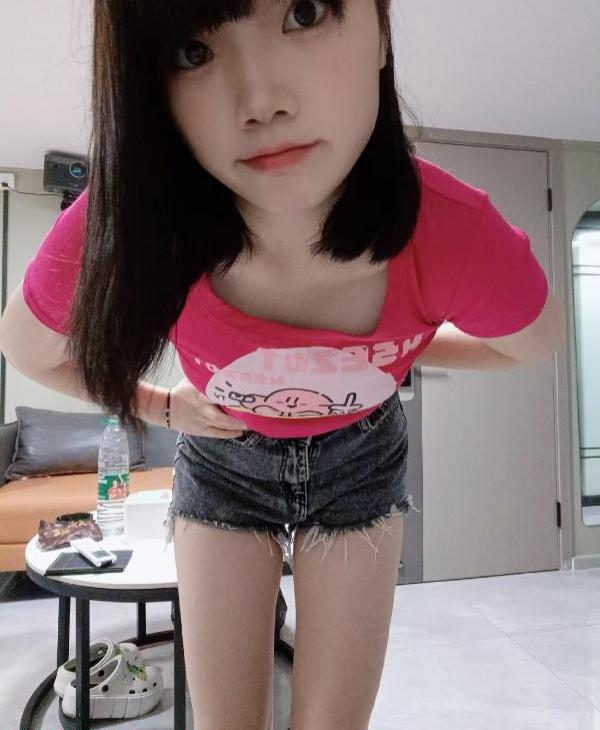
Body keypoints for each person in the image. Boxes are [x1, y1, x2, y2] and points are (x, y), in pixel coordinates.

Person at [1, 1, 564, 729]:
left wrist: (386, 353)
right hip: (223, 462)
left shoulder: (453, 230)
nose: (260, 100)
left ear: (381, 29)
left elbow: (533, 341)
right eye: (193, 52)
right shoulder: (131, 217)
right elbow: (28, 347)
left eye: (303, 11)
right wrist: (162, 406)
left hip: (362, 463)